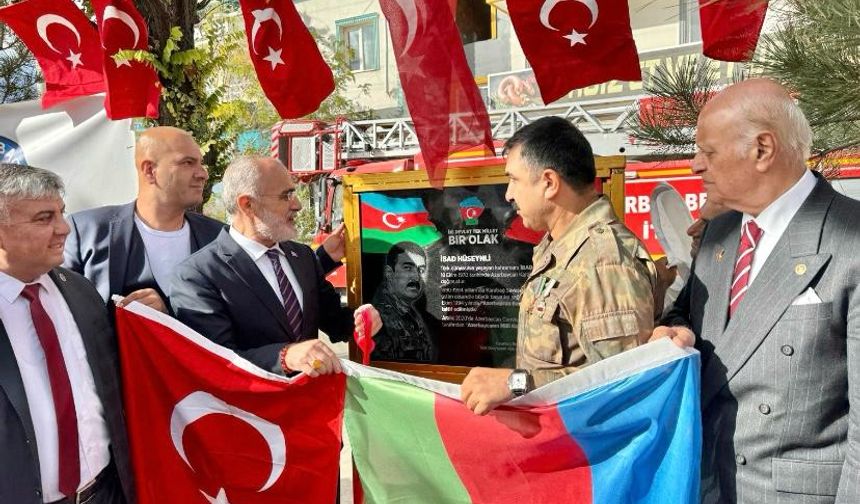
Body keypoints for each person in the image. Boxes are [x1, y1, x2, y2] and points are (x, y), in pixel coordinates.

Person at [655, 79, 860, 502]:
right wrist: (675, 332)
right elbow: (683, 313)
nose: (695, 165)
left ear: (762, 149)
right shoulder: (721, 233)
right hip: (708, 483)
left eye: (707, 152)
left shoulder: (849, 239)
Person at [460, 117, 657, 415]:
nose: (508, 194)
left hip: (588, 453)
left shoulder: (602, 261)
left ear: (549, 183)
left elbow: (625, 387)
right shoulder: (557, 245)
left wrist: (515, 384)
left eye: (514, 179)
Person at [62, 126, 347, 314]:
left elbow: (262, 286)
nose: (203, 173)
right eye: (188, 163)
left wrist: (323, 258)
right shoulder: (86, 231)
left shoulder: (219, 237)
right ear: (149, 170)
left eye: (200, 163)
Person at [170, 156, 380, 377]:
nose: (297, 205)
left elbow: (335, 321)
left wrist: (361, 321)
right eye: (286, 196)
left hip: (316, 404)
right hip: (249, 409)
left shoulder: (302, 257)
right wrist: (286, 357)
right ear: (247, 204)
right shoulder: (197, 275)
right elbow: (216, 362)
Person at [0, 164, 135, 503]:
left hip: (104, 493)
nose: (63, 229)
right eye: (44, 218)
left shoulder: (79, 290)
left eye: (61, 213)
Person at [371, 241, 436, 362]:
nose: (416, 277)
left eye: (421, 270)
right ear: (389, 273)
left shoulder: (407, 310)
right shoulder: (380, 318)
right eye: (408, 268)